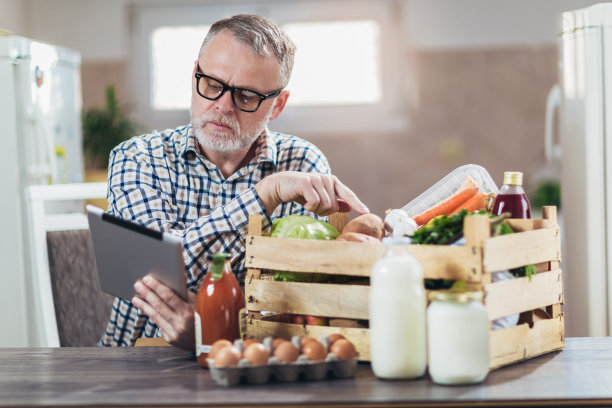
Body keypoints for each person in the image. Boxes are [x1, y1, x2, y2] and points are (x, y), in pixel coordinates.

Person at [99, 14, 369, 350]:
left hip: (250, 360)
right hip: (133, 363)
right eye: (212, 84)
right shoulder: (137, 157)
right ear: (195, 73)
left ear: (277, 105)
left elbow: (299, 301)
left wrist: (218, 329)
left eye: (245, 96)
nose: (222, 107)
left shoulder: (302, 163)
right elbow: (160, 272)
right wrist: (265, 194)